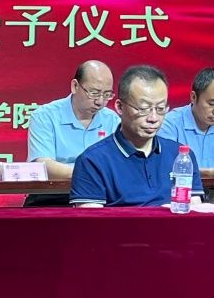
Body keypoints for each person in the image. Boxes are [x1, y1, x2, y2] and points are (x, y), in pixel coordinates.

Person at [72, 64, 208, 208]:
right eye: (143, 109)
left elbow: (194, 212)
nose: (153, 118)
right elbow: (91, 220)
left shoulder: (181, 156)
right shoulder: (93, 161)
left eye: (160, 109)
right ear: (119, 107)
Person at [26, 60, 120, 180]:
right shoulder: (45, 116)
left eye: (107, 95)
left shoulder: (112, 120)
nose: (100, 102)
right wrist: (88, 174)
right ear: (75, 86)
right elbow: (43, 165)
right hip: (56, 190)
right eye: (94, 93)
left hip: (101, 190)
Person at [159, 67, 214, 182]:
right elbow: (162, 168)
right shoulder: (170, 124)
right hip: (180, 189)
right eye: (211, 104)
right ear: (193, 97)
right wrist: (206, 173)